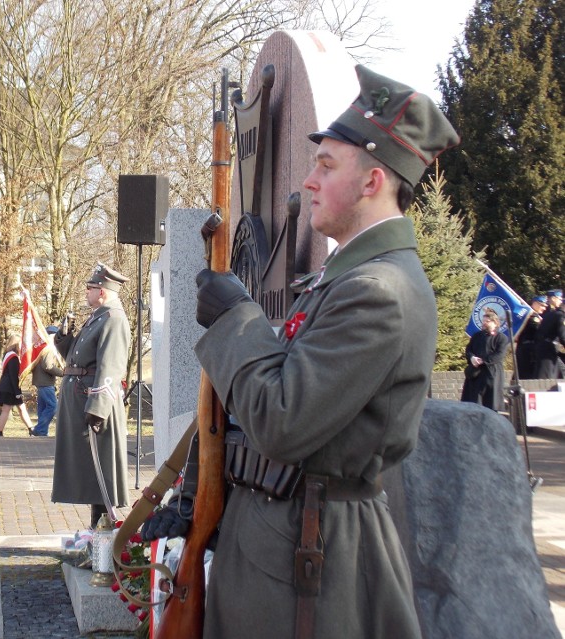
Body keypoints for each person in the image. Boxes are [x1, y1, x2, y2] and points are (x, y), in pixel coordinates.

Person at [189, 66, 460, 639]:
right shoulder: (350, 278)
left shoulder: (378, 293)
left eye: (326, 165)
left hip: (310, 557)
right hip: (284, 542)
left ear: (373, 182)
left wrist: (237, 319)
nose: (309, 182)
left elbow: (283, 420)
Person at [52, 263, 131, 528]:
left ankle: (104, 531)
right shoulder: (98, 316)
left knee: (100, 471)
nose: (86, 292)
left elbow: (110, 366)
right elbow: (76, 358)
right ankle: (96, 530)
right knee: (88, 470)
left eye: (91, 288)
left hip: (94, 402)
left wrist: (98, 407)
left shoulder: (113, 318)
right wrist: (64, 338)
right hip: (81, 399)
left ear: (104, 291)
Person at [460, 308, 510, 411]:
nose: (484, 323)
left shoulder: (501, 338)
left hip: (491, 374)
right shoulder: (477, 336)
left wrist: (483, 360)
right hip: (476, 374)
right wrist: (472, 358)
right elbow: (469, 349)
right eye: (483, 321)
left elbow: (499, 355)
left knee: (491, 403)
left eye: (487, 321)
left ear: (495, 323)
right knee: (474, 402)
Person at [0, 333, 35, 437]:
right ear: (16, 344)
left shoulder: (7, 355)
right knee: (7, 410)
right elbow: (13, 376)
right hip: (10, 388)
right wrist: (17, 392)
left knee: (20, 408)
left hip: (7, 387)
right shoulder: (13, 357)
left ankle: (31, 429)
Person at [31, 325, 64, 437]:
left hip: (41, 382)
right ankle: (40, 430)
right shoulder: (48, 348)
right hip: (46, 382)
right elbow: (48, 366)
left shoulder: (40, 347)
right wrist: (63, 373)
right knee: (52, 406)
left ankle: (41, 432)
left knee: (43, 408)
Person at [534, 288, 565, 379]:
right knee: (546, 376)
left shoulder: (552, 314)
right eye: (559, 298)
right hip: (549, 348)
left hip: (543, 346)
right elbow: (562, 335)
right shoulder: (560, 316)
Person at [515, 295, 548, 379]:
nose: (544, 308)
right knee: (525, 373)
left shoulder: (534, 316)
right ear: (535, 303)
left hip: (526, 348)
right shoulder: (531, 316)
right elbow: (540, 330)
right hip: (527, 349)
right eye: (542, 305)